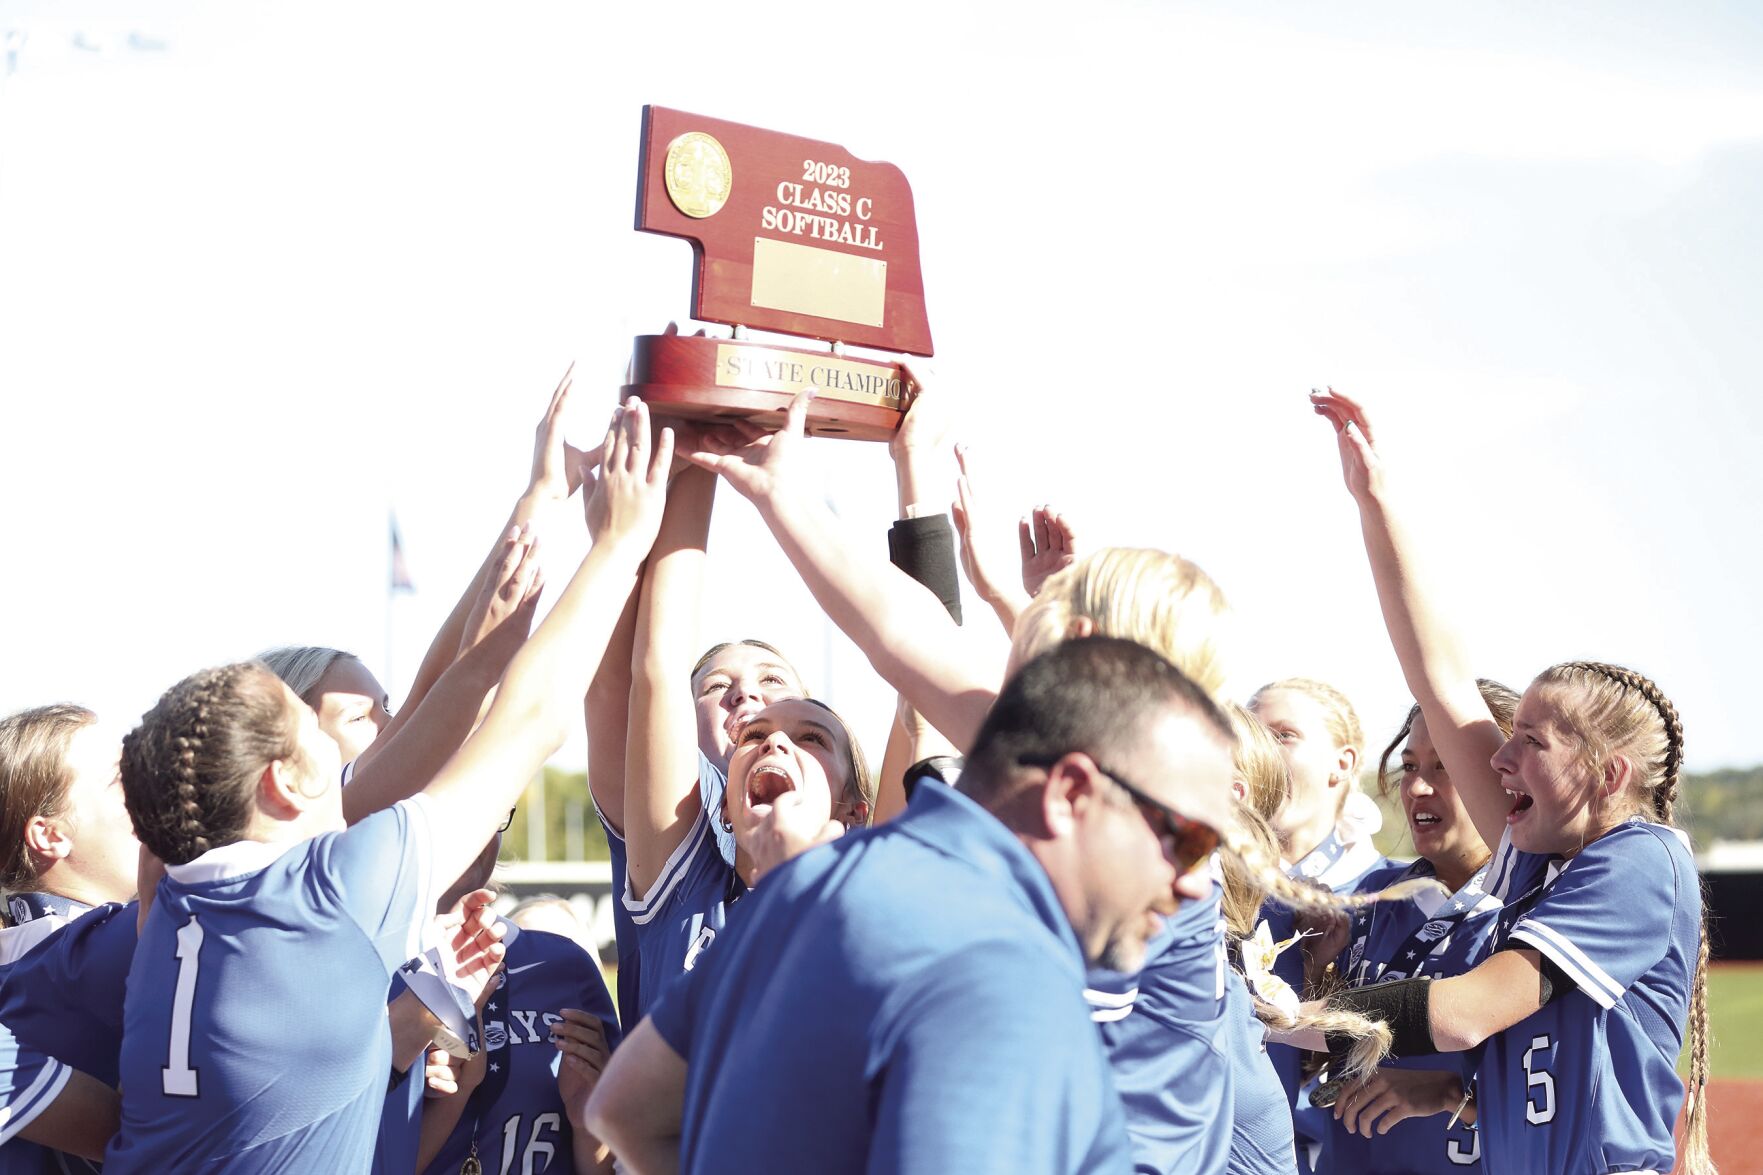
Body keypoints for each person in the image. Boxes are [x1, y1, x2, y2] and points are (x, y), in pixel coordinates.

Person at [102, 396, 673, 1170]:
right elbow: (532, 720)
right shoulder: (327, 894)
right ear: (281, 785)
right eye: (321, 735)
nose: (377, 748)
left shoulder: (173, 898)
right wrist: (617, 545)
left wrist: (538, 503)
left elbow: (438, 707)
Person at [585, 637, 1237, 1174]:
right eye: (1184, 839)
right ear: (1070, 792)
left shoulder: (790, 897)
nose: (1193, 884)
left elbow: (621, 1108)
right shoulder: (995, 964)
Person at [1301, 388, 1713, 1175]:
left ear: (1608, 772)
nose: (1497, 758)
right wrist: (1373, 499)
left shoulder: (1638, 861)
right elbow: (1441, 681)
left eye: (1530, 741)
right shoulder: (1540, 856)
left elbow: (1458, 1015)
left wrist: (1280, 1015)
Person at [1300, 681, 1517, 1174]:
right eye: (1412, 766)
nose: (1418, 786)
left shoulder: (1539, 913)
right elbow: (1305, 1067)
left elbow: (1570, 1096)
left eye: (1445, 766)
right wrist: (1312, 965)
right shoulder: (1369, 899)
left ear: (1508, 775)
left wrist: (1450, 1095)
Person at [417, 825, 620, 1175]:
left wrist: (590, 1124)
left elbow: (610, 1160)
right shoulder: (374, 967)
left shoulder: (564, 965)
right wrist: (453, 1095)